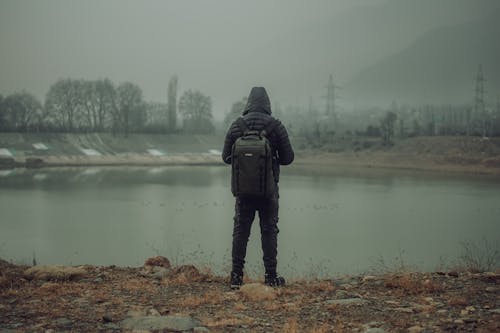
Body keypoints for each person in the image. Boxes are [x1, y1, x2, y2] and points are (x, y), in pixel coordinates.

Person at [222, 87, 294, 288]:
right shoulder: (276, 126)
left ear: (248, 103)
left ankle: (236, 277)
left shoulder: (237, 125)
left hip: (243, 191)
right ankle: (270, 277)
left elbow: (225, 157)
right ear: (267, 104)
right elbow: (288, 158)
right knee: (269, 230)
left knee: (241, 230)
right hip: (269, 191)